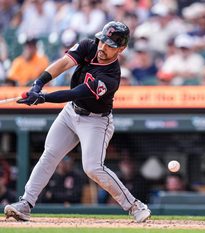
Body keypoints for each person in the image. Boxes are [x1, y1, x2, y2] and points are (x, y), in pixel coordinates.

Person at [3, 21, 151, 223]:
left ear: (122, 49)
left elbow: (76, 92)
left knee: (92, 167)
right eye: (102, 41)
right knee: (49, 155)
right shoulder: (88, 46)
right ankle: (26, 204)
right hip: (71, 113)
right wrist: (38, 84)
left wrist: (43, 98)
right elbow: (63, 64)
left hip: (96, 121)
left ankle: (135, 205)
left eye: (110, 45)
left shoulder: (111, 77)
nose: (102, 47)